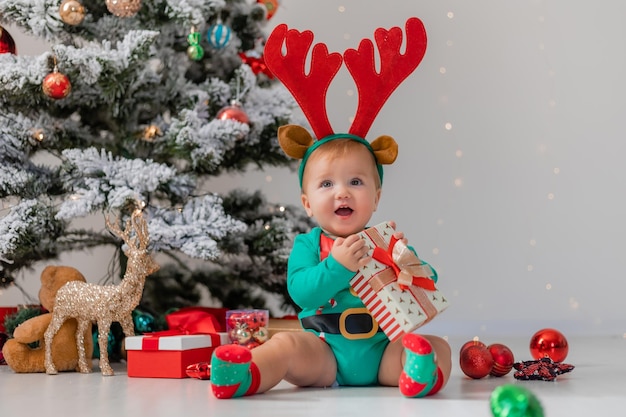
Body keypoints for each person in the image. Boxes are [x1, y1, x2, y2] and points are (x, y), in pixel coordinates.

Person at [209, 134, 452, 399]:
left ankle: (420, 375)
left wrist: (404, 260)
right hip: (324, 351)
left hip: (383, 348)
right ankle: (245, 376)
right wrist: (337, 266)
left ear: (376, 198)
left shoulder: (384, 243)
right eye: (326, 183)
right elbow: (301, 293)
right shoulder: (309, 244)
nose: (342, 192)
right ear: (308, 204)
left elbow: (429, 283)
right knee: (285, 345)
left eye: (356, 182)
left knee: (438, 346)